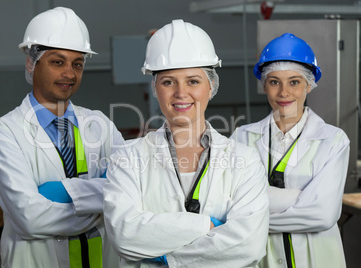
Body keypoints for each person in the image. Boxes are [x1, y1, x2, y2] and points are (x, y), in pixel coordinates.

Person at [103, 19, 269, 268]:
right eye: (168, 81)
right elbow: (124, 236)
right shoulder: (126, 159)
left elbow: (249, 245)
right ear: (155, 87)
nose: (181, 93)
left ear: (211, 86)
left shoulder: (244, 160)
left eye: (193, 81)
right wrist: (207, 226)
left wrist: (168, 257)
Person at [0, 7, 124, 268]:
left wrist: (66, 195)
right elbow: (30, 220)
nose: (69, 74)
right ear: (31, 63)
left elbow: (132, 191)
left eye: (77, 64)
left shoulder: (100, 125)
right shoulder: (6, 132)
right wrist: (104, 208)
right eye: (57, 62)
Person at [231, 33, 349, 268]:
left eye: (294, 82)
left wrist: (253, 215)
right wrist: (299, 198)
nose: (284, 93)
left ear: (309, 85)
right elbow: (228, 204)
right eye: (274, 82)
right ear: (264, 85)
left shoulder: (333, 140)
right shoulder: (241, 138)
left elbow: (323, 214)